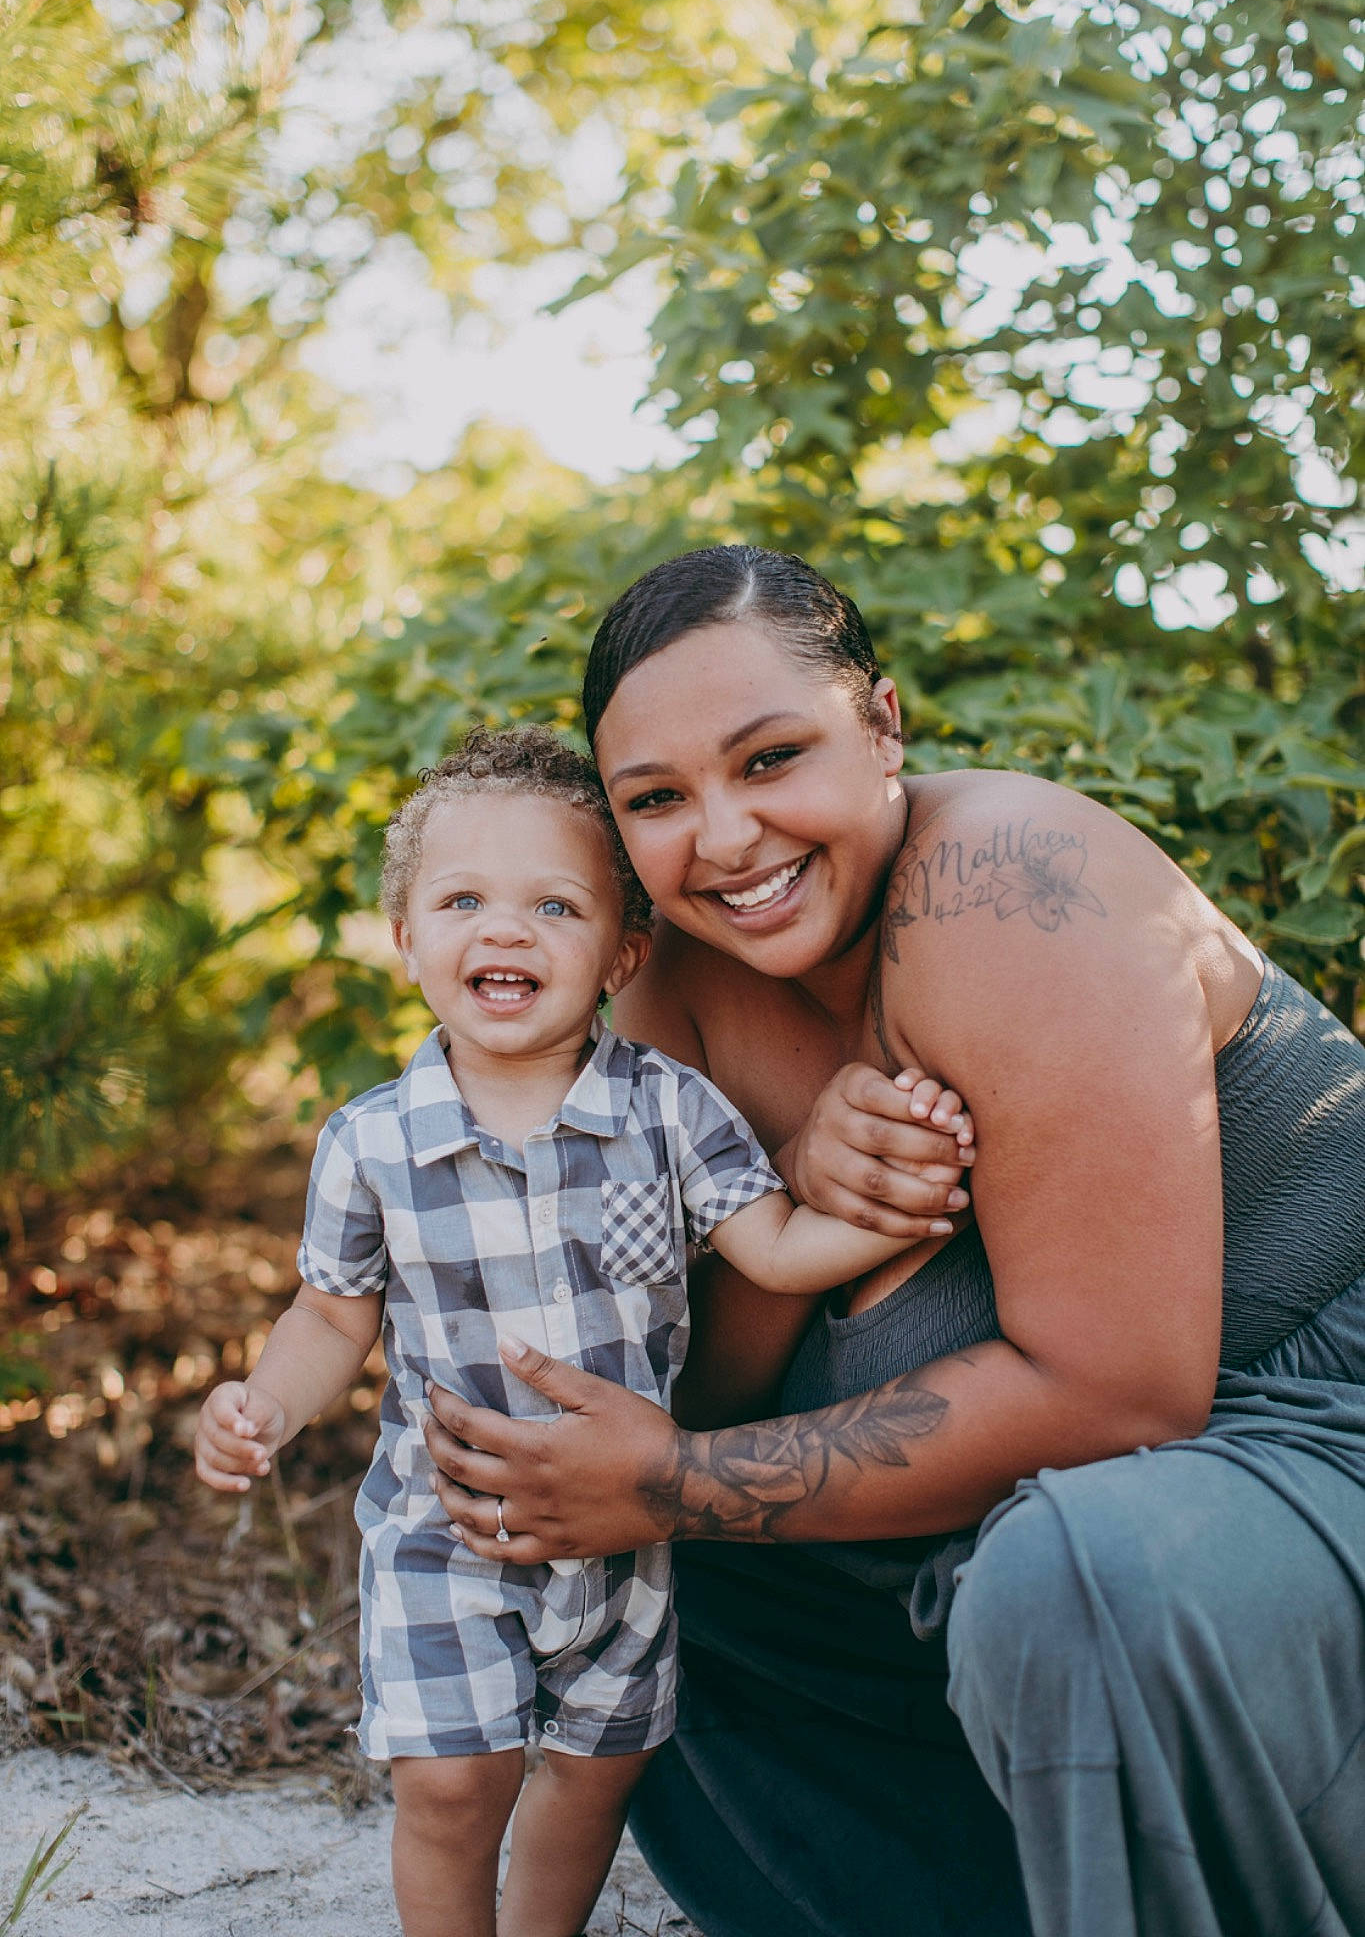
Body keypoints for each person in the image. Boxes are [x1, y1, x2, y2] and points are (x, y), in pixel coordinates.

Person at [423, 548, 1365, 1937]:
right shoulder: (675, 995)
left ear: (883, 726)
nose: (727, 838)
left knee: (1073, 1579)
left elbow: (1122, 1398)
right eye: (658, 802)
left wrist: (674, 1479)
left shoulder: (1000, 887)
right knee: (598, 1570)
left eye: (769, 758)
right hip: (1031, 1527)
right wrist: (798, 1205)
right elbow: (678, 1395)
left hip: (1307, 1440)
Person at [192, 722, 970, 1937]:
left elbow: (772, 1244)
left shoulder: (665, 1109)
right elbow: (331, 1314)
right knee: (454, 1781)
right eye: (462, 900)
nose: (505, 931)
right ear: (407, 939)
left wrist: (893, 1207)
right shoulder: (372, 1143)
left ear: (622, 950)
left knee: (593, 1771)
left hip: (623, 1531)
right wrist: (265, 1404)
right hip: (443, 1526)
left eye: (555, 906)